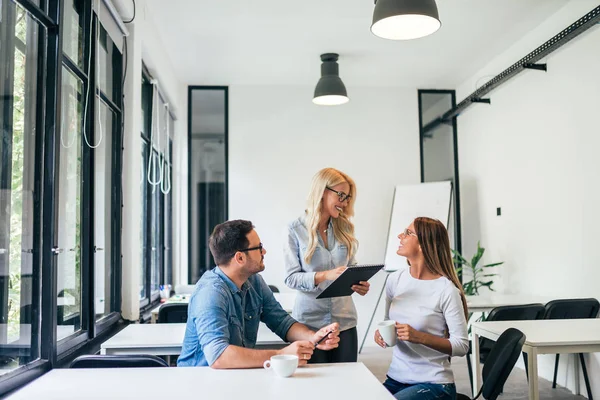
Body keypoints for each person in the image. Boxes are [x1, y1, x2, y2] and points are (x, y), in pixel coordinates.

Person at [177, 219, 340, 368]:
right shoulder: (210, 292)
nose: (265, 252)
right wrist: (280, 355)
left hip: (236, 376)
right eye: (259, 247)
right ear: (239, 258)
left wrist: (313, 337)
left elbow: (281, 321)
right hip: (200, 383)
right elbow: (219, 356)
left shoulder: (254, 282)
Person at [374, 217, 469, 400]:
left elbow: (461, 346)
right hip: (395, 378)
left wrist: (419, 337)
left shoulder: (446, 290)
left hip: (434, 383)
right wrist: (381, 335)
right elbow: (388, 322)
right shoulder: (395, 280)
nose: (400, 236)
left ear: (423, 245)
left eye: (408, 233)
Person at [283, 167, 369, 363]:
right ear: (322, 192)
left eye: (347, 197)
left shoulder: (345, 227)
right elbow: (290, 278)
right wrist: (324, 275)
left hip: (344, 321)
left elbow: (350, 266)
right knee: (315, 385)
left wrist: (358, 283)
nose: (345, 202)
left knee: (345, 382)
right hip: (309, 324)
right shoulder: (294, 230)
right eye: (341, 195)